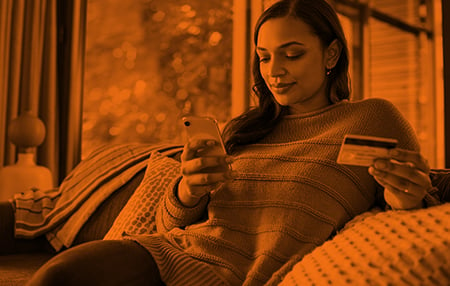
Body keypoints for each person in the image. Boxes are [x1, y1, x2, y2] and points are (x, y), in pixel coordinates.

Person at [27, 0, 438, 285]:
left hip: (255, 274)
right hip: (178, 252)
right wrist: (188, 190)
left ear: (331, 55)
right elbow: (170, 226)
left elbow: (407, 208)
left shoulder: (373, 117)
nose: (274, 70)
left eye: (292, 54)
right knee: (57, 276)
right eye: (264, 56)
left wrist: (408, 198)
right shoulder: (244, 128)